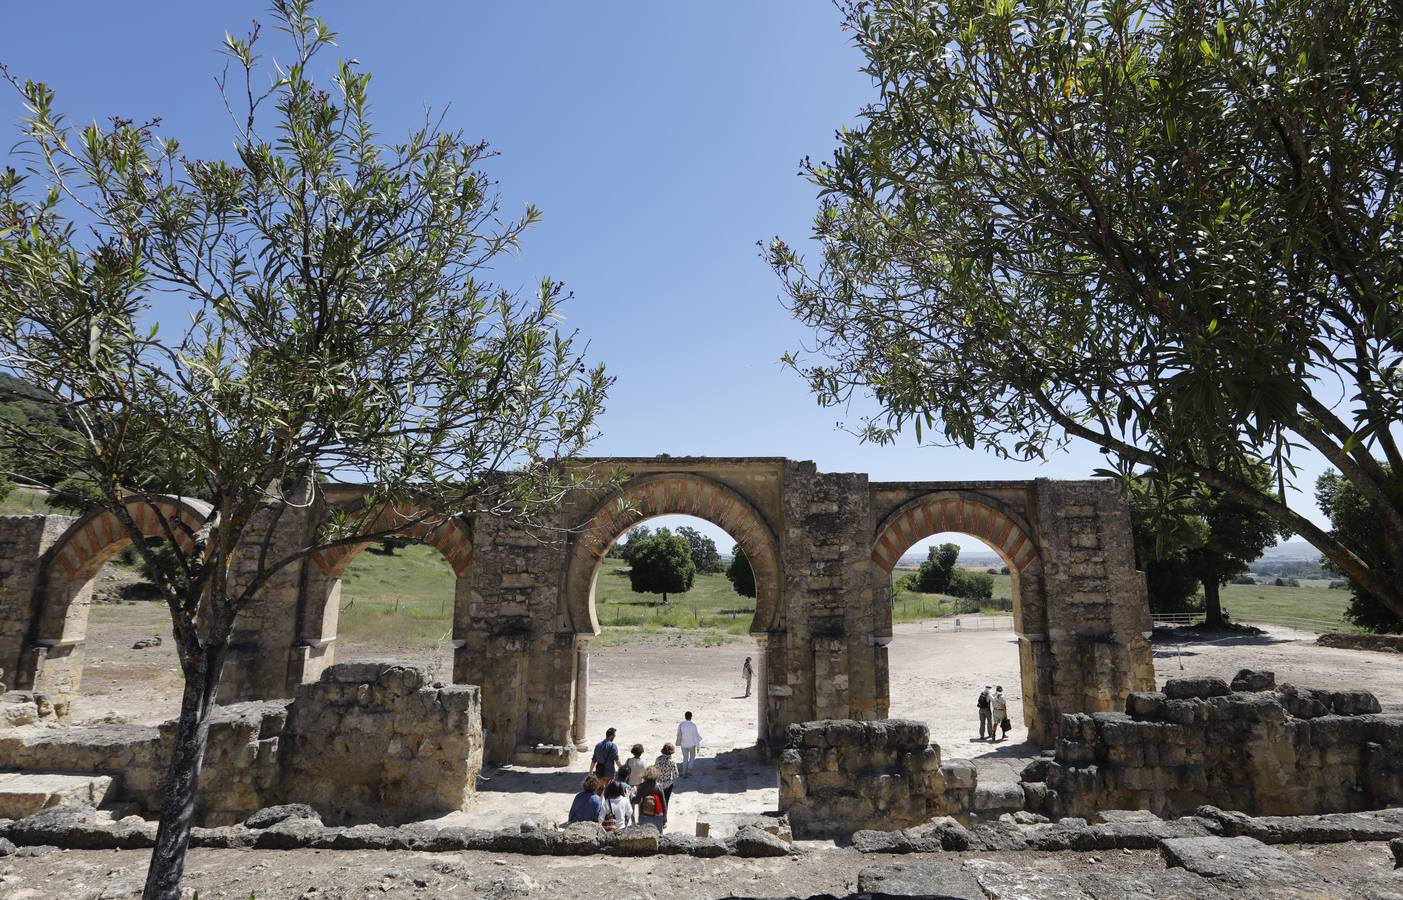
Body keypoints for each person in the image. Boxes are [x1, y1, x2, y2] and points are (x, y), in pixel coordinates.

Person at [636, 765, 667, 832]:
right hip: (657, 815)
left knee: (644, 836)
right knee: (658, 836)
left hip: (644, 815)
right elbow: (663, 803)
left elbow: (637, 801)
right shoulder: (659, 786)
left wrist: (632, 796)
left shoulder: (641, 786)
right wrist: (665, 817)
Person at [654, 743, 680, 809]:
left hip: (658, 784)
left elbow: (654, 770)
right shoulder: (672, 762)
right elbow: (676, 775)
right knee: (666, 801)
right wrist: (671, 780)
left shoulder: (658, 759)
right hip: (667, 785)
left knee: (659, 801)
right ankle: (664, 817)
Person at [676, 711, 702, 776]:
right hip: (691, 745)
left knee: (685, 758)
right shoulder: (693, 725)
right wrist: (698, 747)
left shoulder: (681, 724)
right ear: (691, 717)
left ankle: (684, 771)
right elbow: (695, 736)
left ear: (685, 717)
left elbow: (678, 734)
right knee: (692, 756)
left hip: (683, 744)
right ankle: (689, 769)